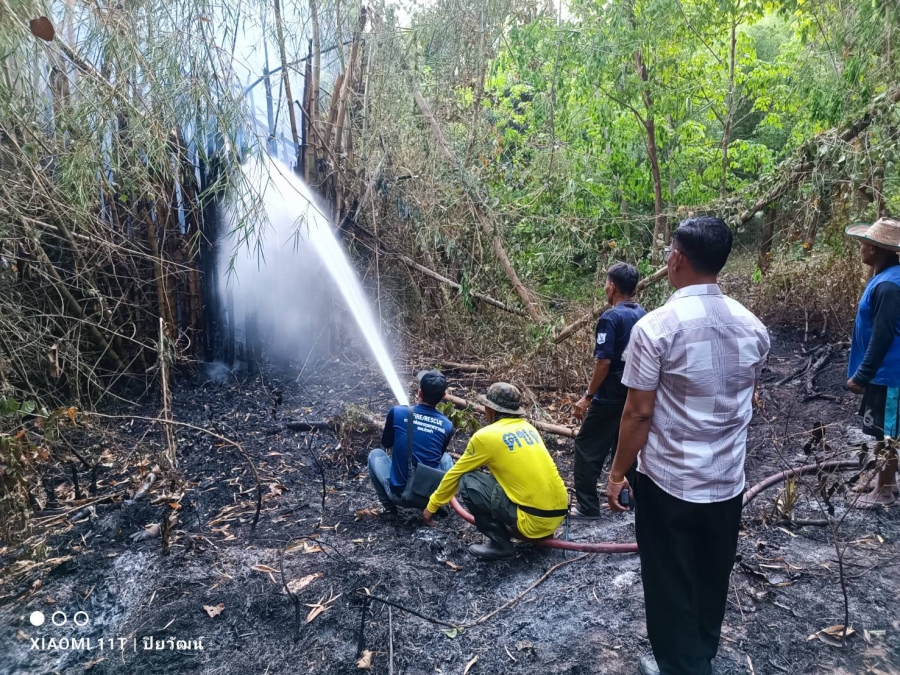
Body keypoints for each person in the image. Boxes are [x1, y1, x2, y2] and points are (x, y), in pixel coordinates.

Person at [605, 217, 770, 675]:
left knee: (669, 580)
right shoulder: (753, 327)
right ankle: (701, 656)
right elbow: (743, 395)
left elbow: (638, 413)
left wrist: (618, 473)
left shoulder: (657, 328)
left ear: (677, 258)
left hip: (669, 483)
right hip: (727, 482)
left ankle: (682, 666)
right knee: (711, 574)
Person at [421, 383, 568, 560]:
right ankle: (541, 532)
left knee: (468, 480)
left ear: (490, 409)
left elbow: (455, 474)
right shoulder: (529, 428)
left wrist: (432, 506)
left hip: (533, 522)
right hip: (558, 515)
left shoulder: (486, 436)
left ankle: (500, 544)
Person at [571, 262, 646, 518]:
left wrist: (588, 396)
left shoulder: (611, 317)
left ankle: (587, 506)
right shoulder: (644, 314)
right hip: (635, 395)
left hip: (609, 396)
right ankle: (634, 501)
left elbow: (604, 361)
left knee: (586, 446)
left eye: (606, 283)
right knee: (625, 445)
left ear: (612, 286)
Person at [845, 218, 900, 508]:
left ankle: (886, 489)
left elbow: (883, 335)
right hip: (883, 373)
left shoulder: (890, 286)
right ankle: (882, 478)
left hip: (889, 373)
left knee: (888, 430)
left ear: (877, 249)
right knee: (881, 428)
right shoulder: (886, 276)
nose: (861, 248)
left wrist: (861, 376)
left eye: (865, 243)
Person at [368, 370, 454, 515]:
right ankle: (444, 503)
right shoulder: (447, 425)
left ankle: (390, 510)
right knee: (446, 458)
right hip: (430, 497)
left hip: (401, 496)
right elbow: (437, 455)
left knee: (375, 454)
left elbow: (387, 443)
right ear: (443, 396)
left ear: (420, 392)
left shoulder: (397, 412)